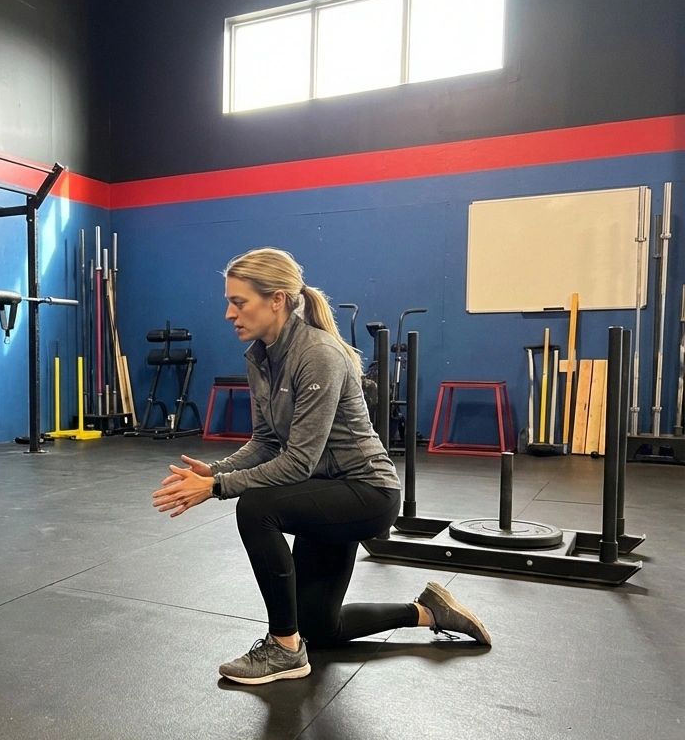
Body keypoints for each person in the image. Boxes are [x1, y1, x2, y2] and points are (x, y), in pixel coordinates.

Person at [151, 248, 490, 685]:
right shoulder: (260, 358)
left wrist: (219, 489)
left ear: (276, 300)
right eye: (229, 302)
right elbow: (267, 441)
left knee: (255, 509)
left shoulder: (318, 354)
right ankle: (429, 612)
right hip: (324, 491)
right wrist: (214, 472)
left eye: (239, 302)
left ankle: (283, 648)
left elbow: (297, 461)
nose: (228, 313)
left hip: (365, 493)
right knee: (320, 629)